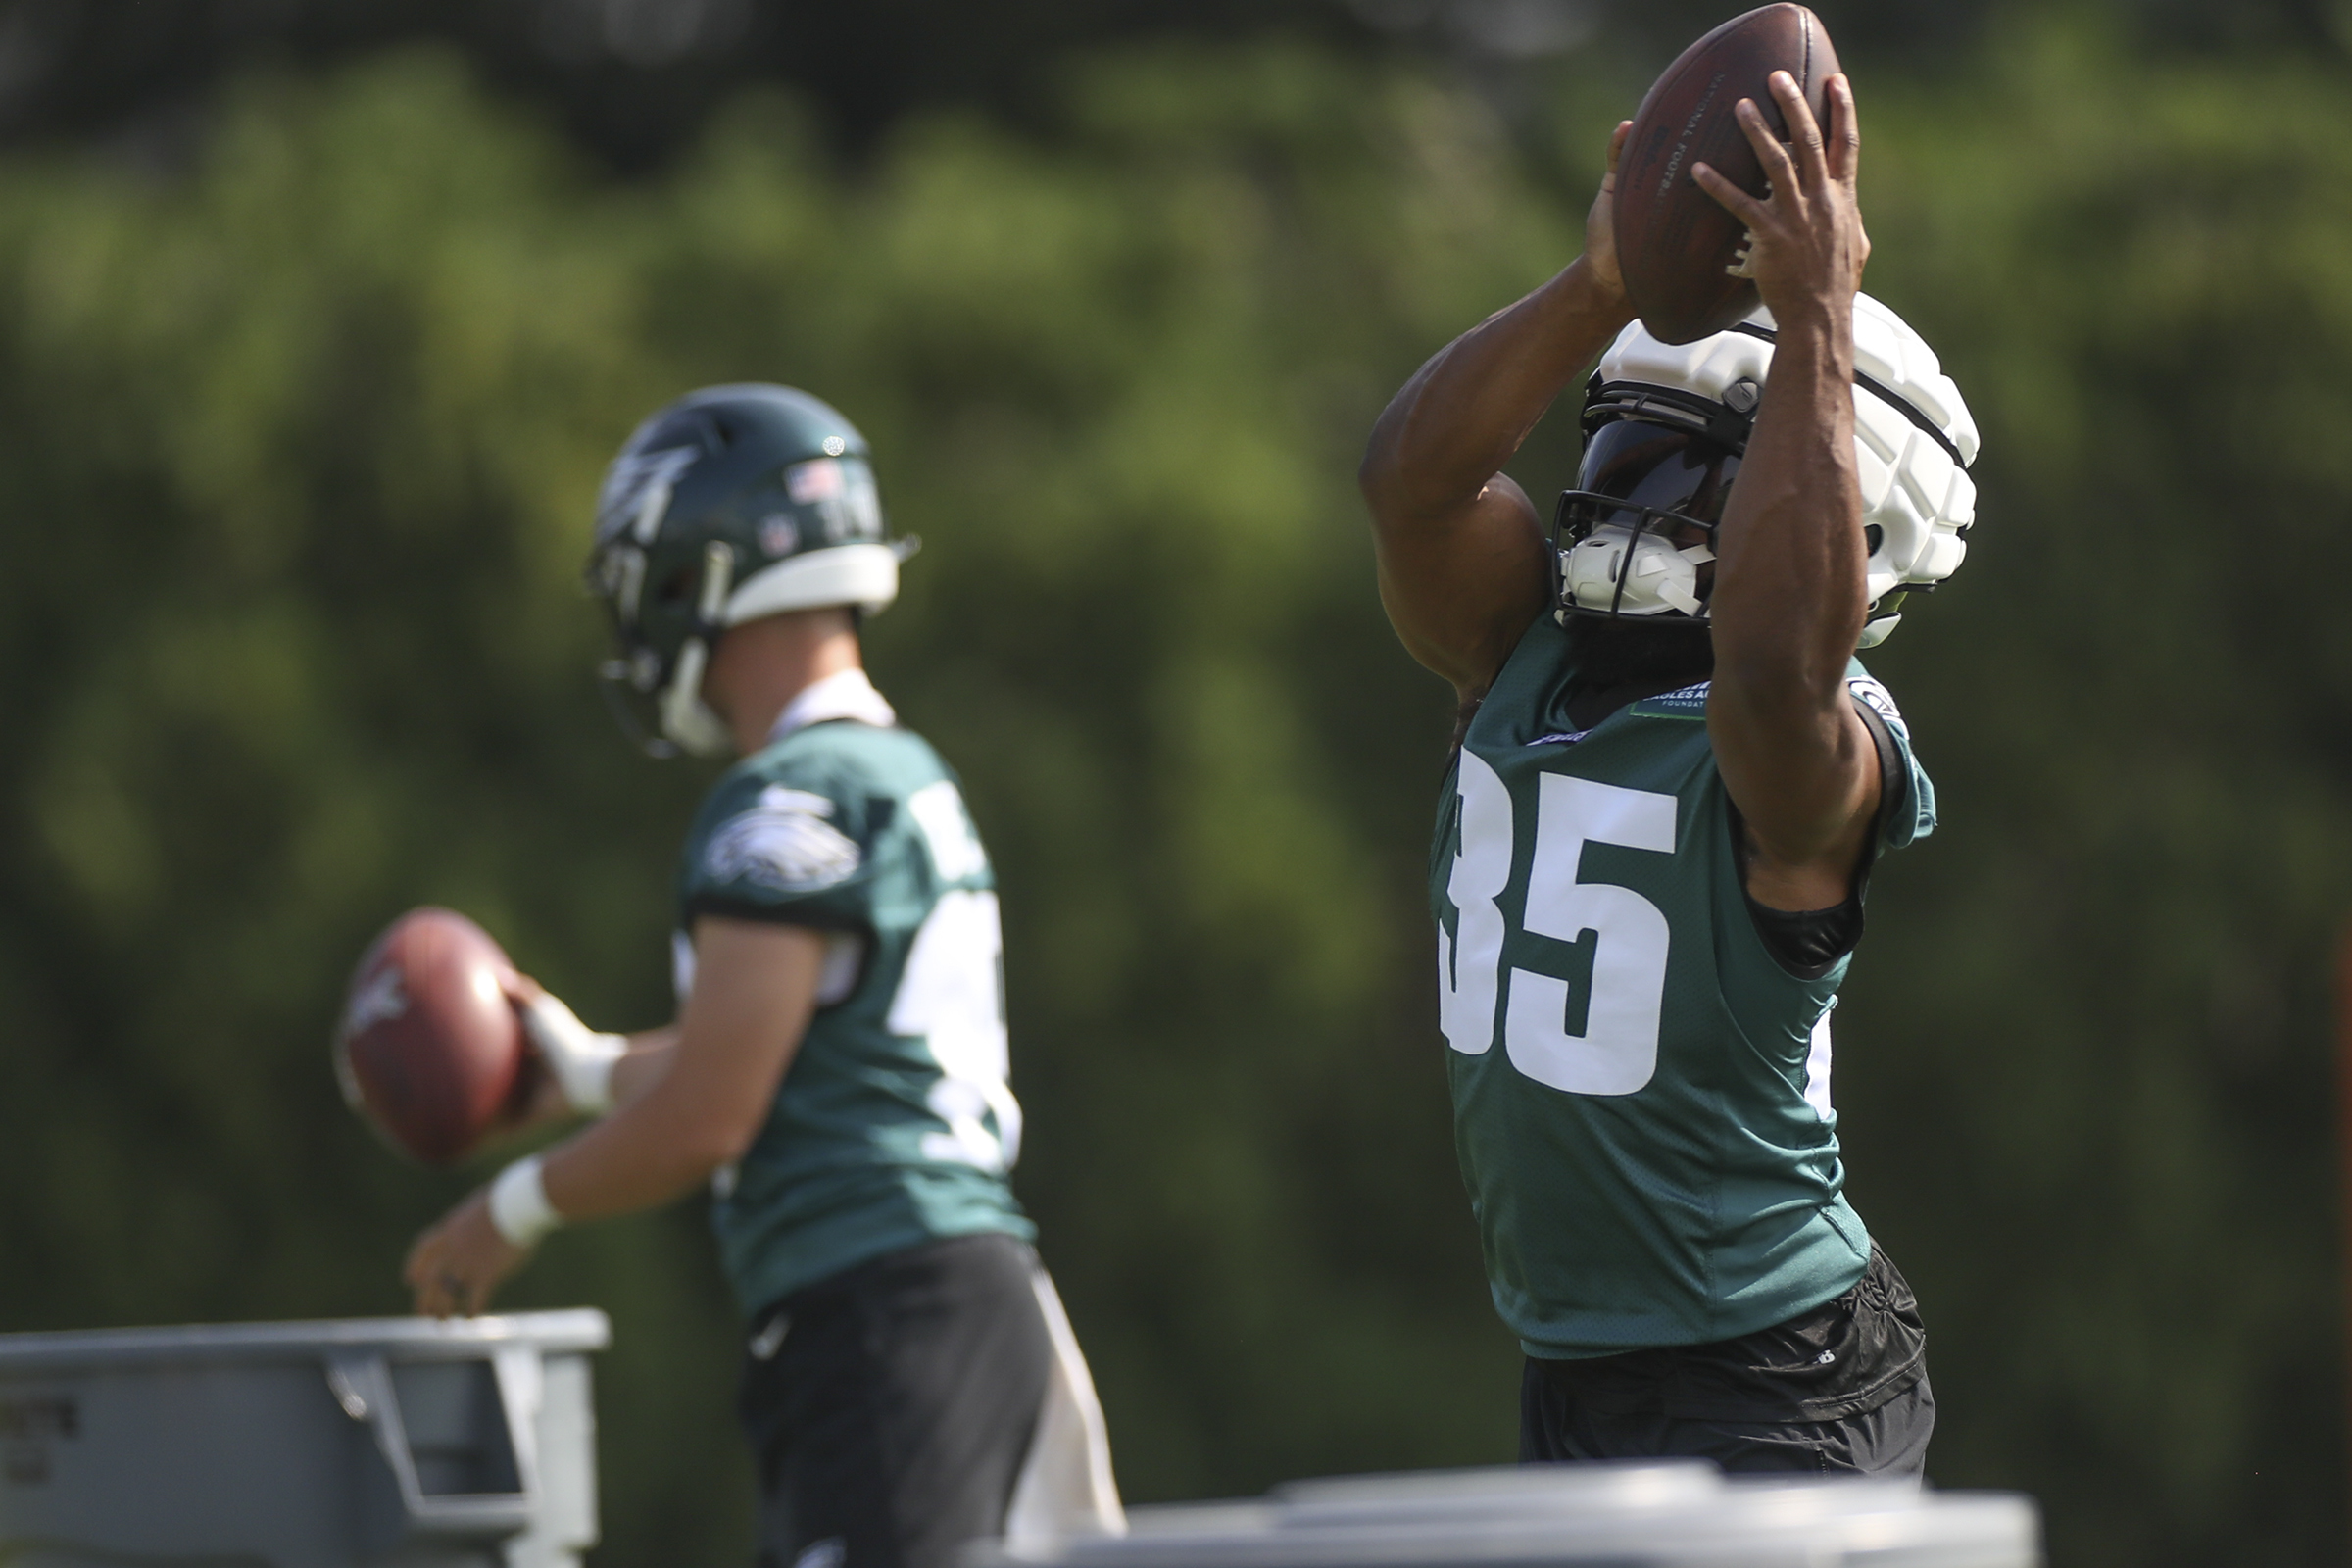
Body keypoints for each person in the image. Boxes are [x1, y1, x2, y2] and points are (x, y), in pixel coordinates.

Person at [1357, 73, 1979, 1475]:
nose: (1626, 504)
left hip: (1776, 1377)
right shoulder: (1521, 645)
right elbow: (1411, 482)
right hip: (1575, 1369)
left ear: (1843, 533)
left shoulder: (1819, 749)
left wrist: (1818, 309)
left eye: (1685, 474)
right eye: (1619, 447)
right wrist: (1597, 287)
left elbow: (1770, 666)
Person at [403, 383, 1123, 1567]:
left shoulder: (782, 798)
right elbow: (785, 1055)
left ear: (701, 573)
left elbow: (714, 1112)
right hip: (951, 1290)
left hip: (882, 1305)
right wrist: (584, 1073)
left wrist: (509, 1210)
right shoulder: (887, 771)